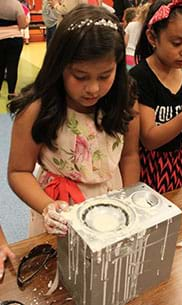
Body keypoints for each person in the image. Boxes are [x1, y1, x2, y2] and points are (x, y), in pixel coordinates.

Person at [7, 4, 140, 237]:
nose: (93, 88)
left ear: (117, 68)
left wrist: (127, 199)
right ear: (59, 66)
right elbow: (18, 172)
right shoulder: (37, 109)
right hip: (58, 208)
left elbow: (129, 156)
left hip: (111, 204)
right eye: (80, 76)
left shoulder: (124, 100)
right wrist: (47, 206)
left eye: (104, 75)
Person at [129, 0, 182, 194]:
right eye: (176, 43)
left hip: (175, 163)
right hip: (141, 166)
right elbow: (149, 139)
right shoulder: (141, 77)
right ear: (153, 38)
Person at [0, 0, 29, 100]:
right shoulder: (15, 3)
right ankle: (11, 93)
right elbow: (22, 24)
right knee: (13, 66)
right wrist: (27, 21)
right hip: (14, 38)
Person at [124, 2, 151, 69]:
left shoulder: (131, 24)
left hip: (127, 55)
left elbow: (125, 42)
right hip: (138, 58)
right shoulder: (147, 29)